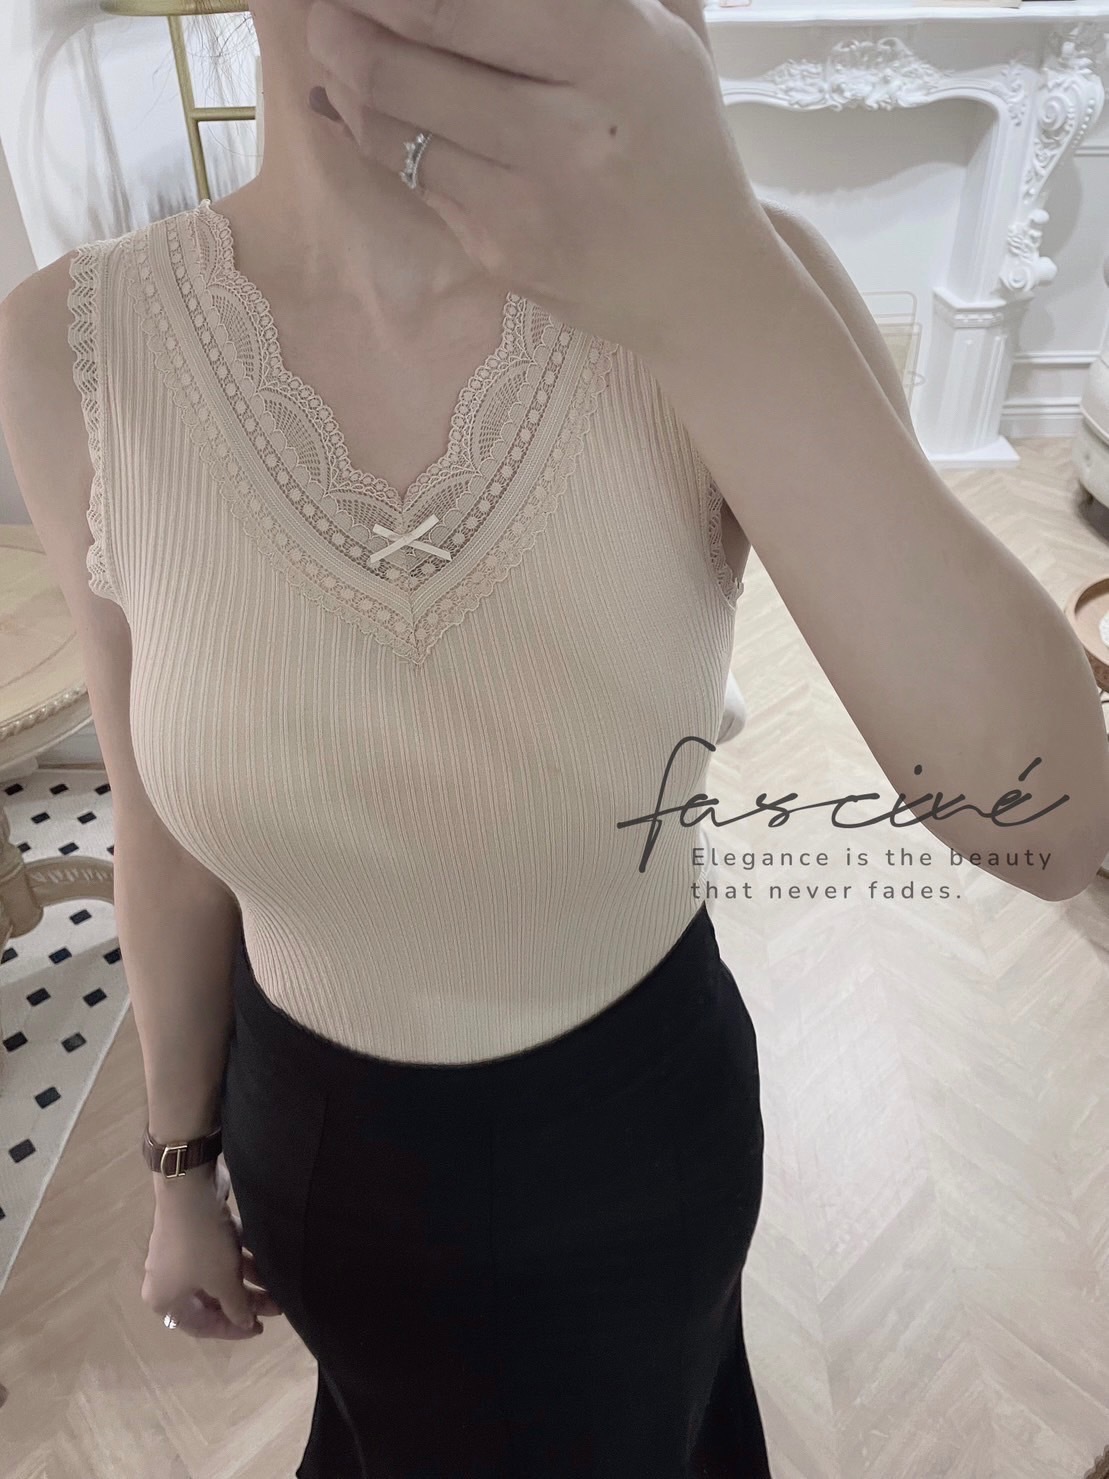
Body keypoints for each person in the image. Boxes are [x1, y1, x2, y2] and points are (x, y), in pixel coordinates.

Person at [3, 1, 1108, 1476]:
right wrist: (177, 1167)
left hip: (639, 1132)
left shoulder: (722, 277)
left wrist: (712, 271)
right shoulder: (78, 345)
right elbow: (156, 815)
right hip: (319, 1157)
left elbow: (1045, 823)